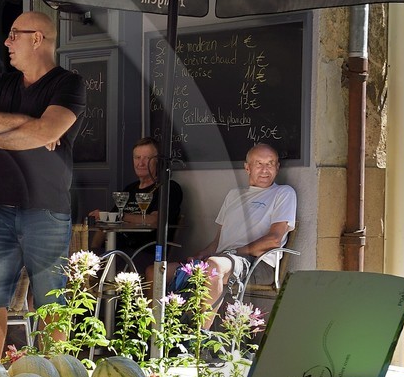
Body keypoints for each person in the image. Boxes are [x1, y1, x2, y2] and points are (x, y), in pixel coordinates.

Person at [0, 10, 86, 356]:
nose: (7, 42)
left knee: (50, 302)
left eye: (14, 34)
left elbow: (48, 131)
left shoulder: (68, 84)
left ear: (38, 38)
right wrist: (27, 124)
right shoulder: (2, 83)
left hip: (45, 209)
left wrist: (1, 132)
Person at [190, 141, 296, 317]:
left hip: (257, 263)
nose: (265, 170)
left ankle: (202, 338)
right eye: (259, 164)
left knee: (213, 267)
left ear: (277, 167)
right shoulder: (234, 195)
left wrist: (234, 252)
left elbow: (274, 239)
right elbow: (218, 241)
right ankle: (155, 338)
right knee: (159, 271)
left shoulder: (284, 193)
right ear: (247, 168)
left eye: (270, 164)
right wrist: (201, 254)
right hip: (225, 259)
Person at [89, 136, 182, 263]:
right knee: (78, 262)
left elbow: (155, 220)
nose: (141, 163)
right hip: (116, 250)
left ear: (158, 161)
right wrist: (92, 252)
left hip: (144, 252)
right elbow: (109, 222)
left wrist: (120, 216)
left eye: (147, 158)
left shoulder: (168, 188)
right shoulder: (130, 189)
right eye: (137, 158)